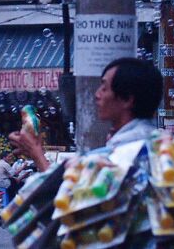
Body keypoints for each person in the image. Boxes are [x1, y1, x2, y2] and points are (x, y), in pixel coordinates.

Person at [10, 57, 163, 171]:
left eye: (104, 88)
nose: (97, 94)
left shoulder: (133, 144)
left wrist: (36, 153)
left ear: (127, 99)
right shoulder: (139, 137)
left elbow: (72, 202)